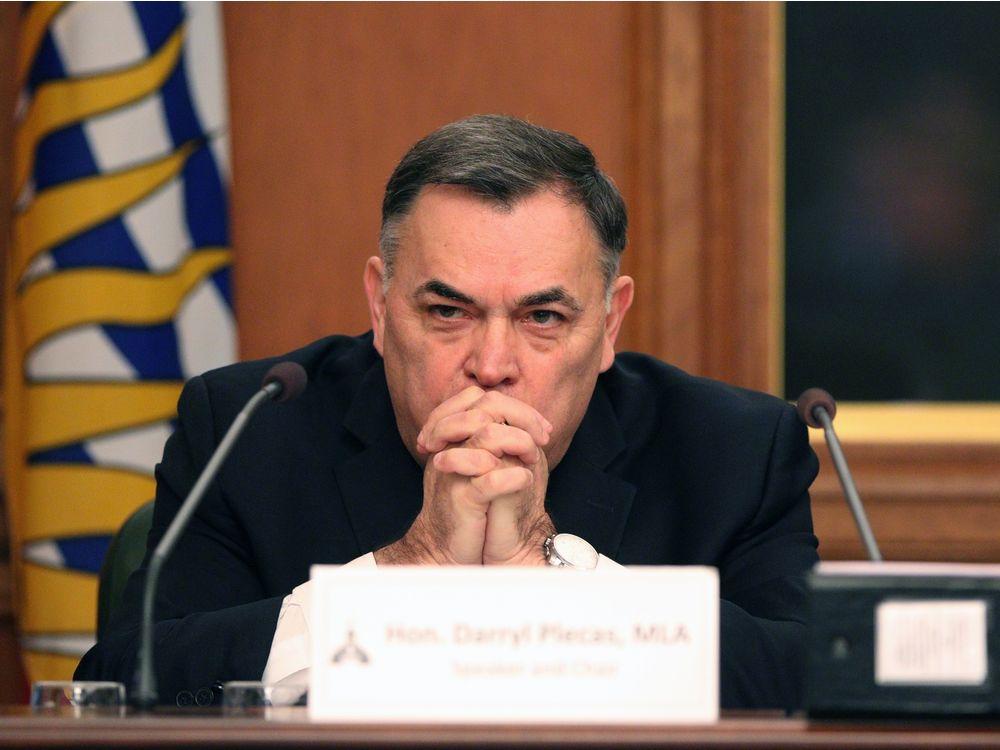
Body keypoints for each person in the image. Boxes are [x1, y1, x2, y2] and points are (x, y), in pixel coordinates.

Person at [77, 115, 819, 710]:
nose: (492, 364)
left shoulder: (734, 451)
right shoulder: (252, 428)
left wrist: (556, 576)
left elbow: (815, 679)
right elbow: (121, 682)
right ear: (380, 305)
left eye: (543, 318)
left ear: (609, 324)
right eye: (447, 312)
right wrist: (404, 573)